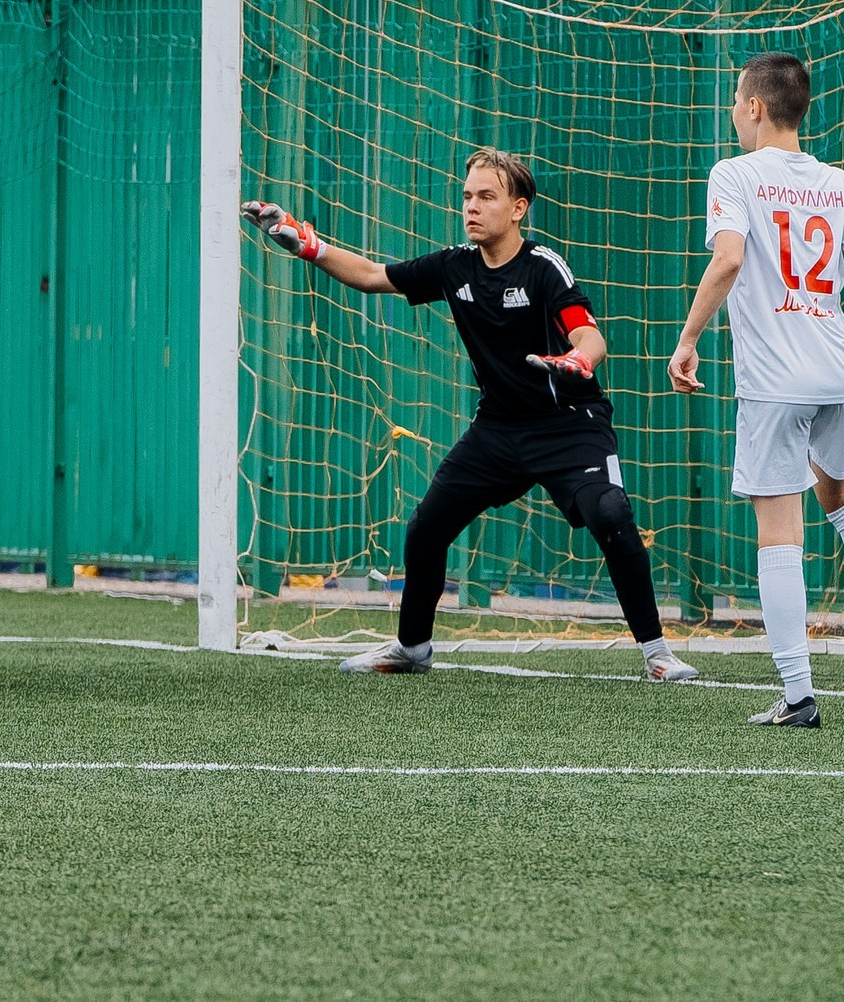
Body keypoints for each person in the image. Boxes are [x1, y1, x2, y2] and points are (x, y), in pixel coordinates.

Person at [241, 150, 697, 683]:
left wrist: (578, 359)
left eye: (486, 197)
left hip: (569, 424)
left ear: (518, 208)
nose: (472, 207)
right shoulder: (455, 265)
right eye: (467, 197)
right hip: (498, 429)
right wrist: (306, 244)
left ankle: (657, 653)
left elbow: (589, 334)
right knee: (425, 529)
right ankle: (412, 647)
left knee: (612, 516)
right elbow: (370, 275)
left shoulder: (542, 268)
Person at [669, 53, 844, 729]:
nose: (732, 111)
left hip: (777, 379)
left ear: (754, 106)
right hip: (838, 365)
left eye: (734, 99)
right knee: (843, 489)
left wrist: (688, 338)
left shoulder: (735, 173)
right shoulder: (836, 181)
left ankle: (799, 694)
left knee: (779, 526)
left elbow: (727, 258)